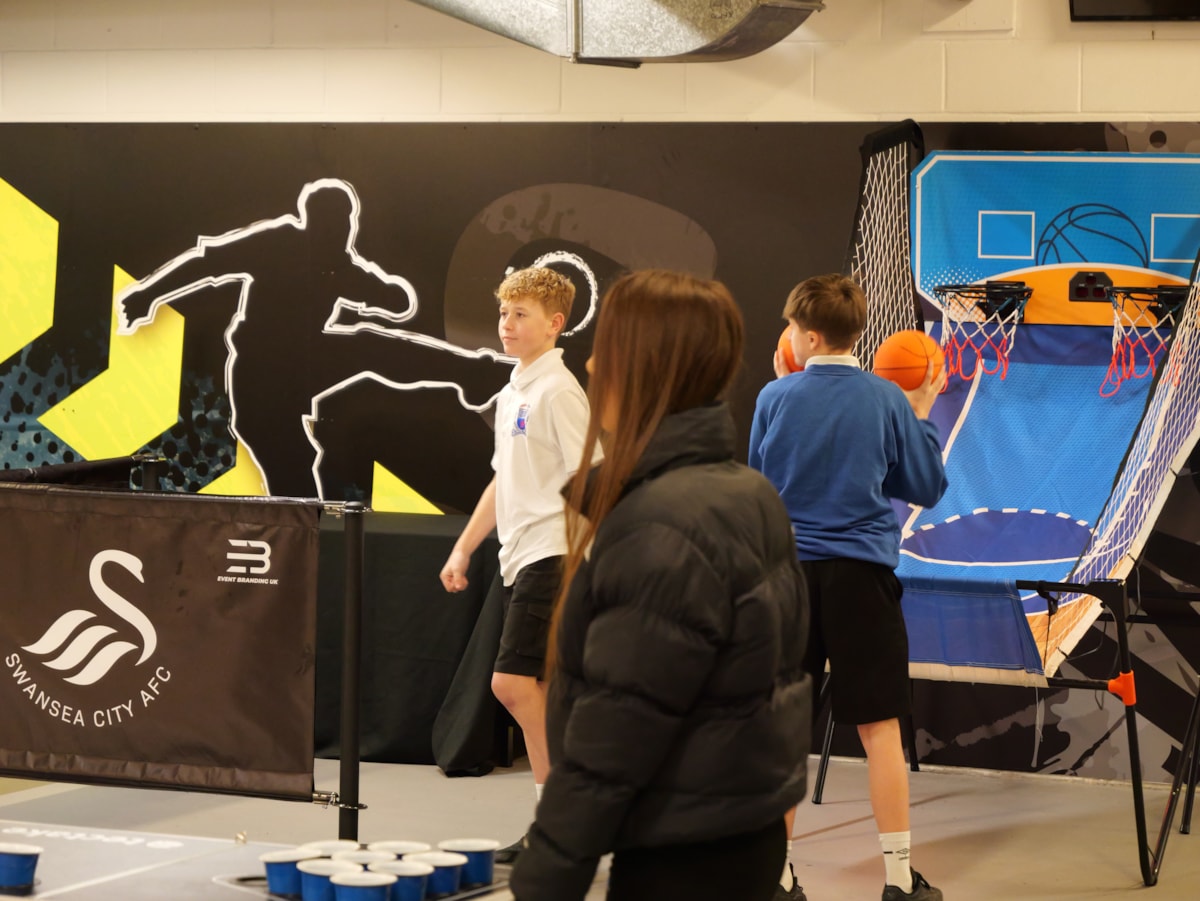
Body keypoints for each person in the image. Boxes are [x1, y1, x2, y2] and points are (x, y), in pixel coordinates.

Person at [509, 269, 812, 901]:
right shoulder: (745, 494)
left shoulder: (663, 526)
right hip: (736, 835)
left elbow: (615, 733)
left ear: (645, 367)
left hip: (685, 856)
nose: (593, 365)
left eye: (610, 350)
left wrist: (546, 875)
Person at [749, 273, 949, 901]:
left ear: (808, 336)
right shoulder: (887, 398)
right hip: (862, 578)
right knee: (880, 730)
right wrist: (920, 414)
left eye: (788, 328)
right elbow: (926, 488)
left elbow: (758, 489)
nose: (784, 338)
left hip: (789, 579)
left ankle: (779, 878)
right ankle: (896, 881)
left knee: (785, 731)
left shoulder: (773, 398)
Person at [440, 265, 592, 862]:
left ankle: (563, 820)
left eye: (521, 314)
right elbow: (504, 480)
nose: (507, 324)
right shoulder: (514, 392)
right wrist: (464, 547)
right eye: (504, 313)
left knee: (511, 684)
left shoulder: (560, 391)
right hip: (520, 554)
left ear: (555, 324)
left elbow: (591, 478)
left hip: (556, 555)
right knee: (546, 689)